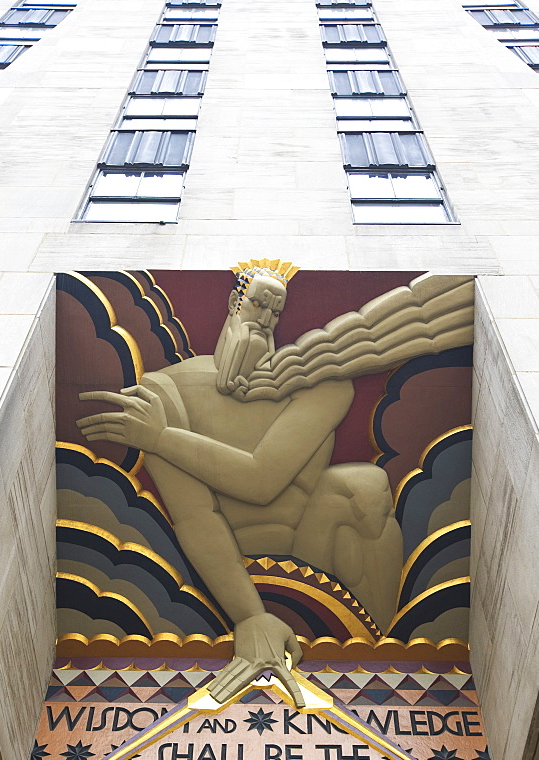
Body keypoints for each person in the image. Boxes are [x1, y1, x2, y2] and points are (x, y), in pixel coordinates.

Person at [77, 262, 473, 705]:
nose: (264, 318)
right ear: (234, 302)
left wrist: (161, 439)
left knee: (363, 485)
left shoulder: (321, 385)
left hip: (316, 550)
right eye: (257, 303)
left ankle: (372, 661)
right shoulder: (167, 389)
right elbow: (195, 516)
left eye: (275, 309)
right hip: (216, 573)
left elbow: (261, 479)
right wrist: (250, 617)